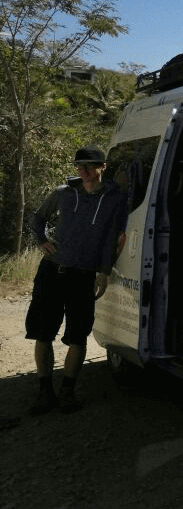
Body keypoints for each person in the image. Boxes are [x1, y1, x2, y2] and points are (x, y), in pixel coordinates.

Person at [25, 145, 128, 414]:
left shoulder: (114, 198)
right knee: (43, 332)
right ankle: (44, 391)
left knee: (78, 335)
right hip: (52, 272)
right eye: (78, 166)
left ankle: (67, 392)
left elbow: (111, 238)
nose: (81, 171)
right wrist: (41, 241)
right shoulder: (64, 193)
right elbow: (37, 219)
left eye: (88, 166)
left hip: (83, 276)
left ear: (102, 166)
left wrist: (104, 272)